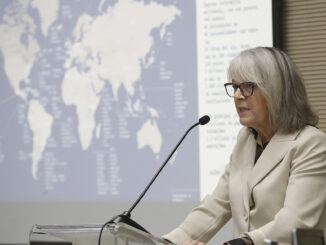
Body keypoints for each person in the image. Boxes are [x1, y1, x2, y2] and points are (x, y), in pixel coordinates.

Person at [164, 47, 326, 245]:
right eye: (234, 87)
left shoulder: (311, 144)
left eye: (247, 86)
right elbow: (217, 205)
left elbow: (296, 221)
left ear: (276, 90)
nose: (238, 96)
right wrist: (168, 242)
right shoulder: (246, 140)